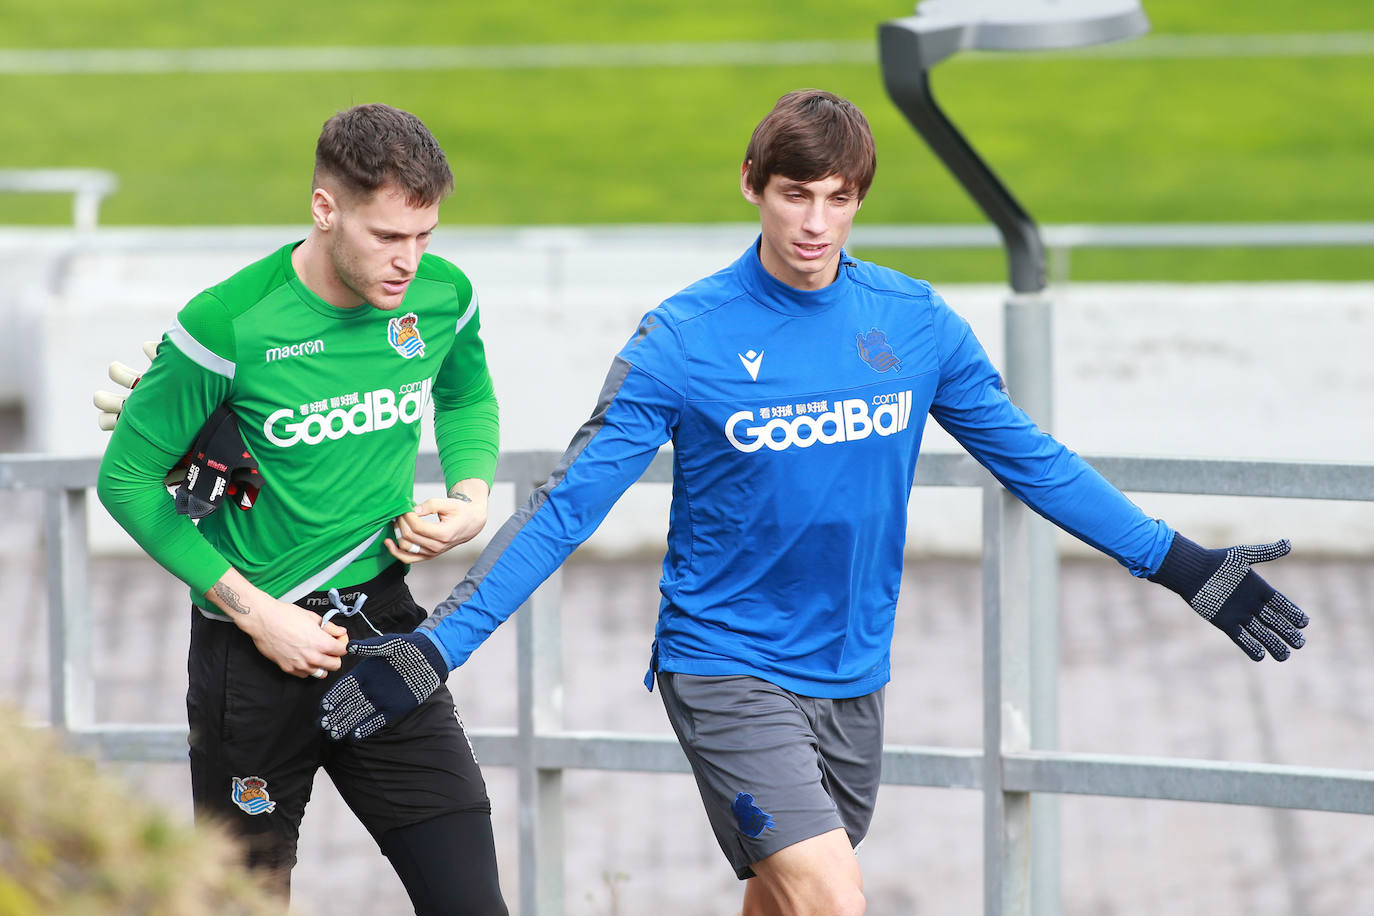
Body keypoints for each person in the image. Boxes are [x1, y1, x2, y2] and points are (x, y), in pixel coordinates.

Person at [315, 90, 1309, 915]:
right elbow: (569, 505)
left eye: (839, 199)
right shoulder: (683, 339)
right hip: (725, 666)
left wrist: (1183, 565)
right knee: (834, 897)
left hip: (853, 672)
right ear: (754, 187)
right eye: (796, 195)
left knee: (788, 902)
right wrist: (436, 644)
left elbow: (1033, 459)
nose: (816, 223)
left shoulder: (915, 324)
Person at [96, 103, 509, 915]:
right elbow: (129, 482)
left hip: (386, 631)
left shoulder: (441, 295)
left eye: (425, 236)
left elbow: (467, 395)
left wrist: (471, 496)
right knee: (246, 904)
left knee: (471, 902)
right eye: (388, 238)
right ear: (326, 209)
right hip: (249, 655)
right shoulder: (227, 323)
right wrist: (257, 615)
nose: (409, 262)